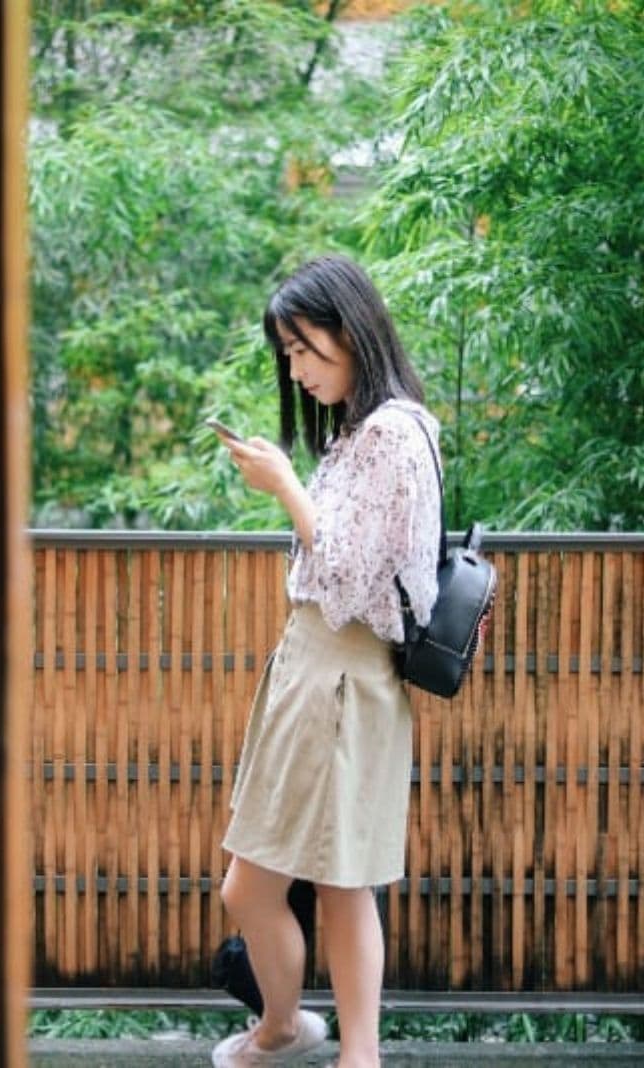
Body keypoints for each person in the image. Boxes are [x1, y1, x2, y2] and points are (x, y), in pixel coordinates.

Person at [211, 255, 442, 1068]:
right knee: (265, 883)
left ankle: (350, 1051)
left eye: (304, 348)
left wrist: (283, 486)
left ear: (349, 330)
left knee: (338, 883)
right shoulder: (359, 431)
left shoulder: (391, 434)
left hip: (343, 670)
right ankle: (289, 1028)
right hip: (314, 669)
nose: (297, 368)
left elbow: (347, 577)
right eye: (288, 354)